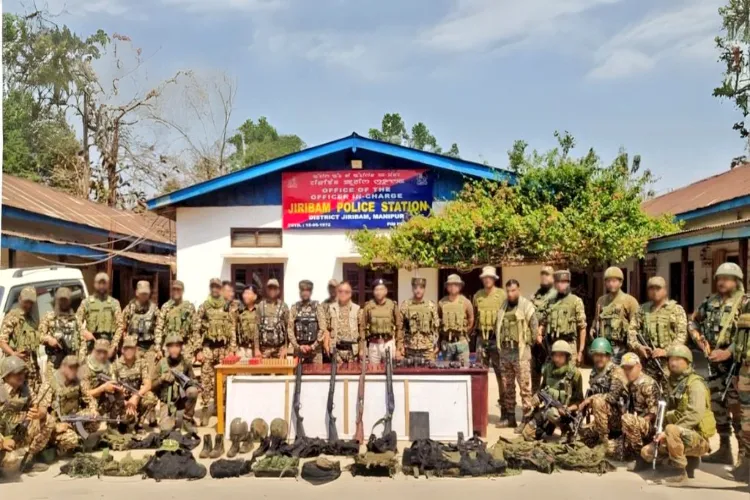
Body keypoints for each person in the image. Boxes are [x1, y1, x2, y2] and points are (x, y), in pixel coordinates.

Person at [688, 262, 746, 464]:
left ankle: (743, 455)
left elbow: (747, 335)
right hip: (714, 366)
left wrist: (728, 353)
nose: (722, 282)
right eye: (719, 278)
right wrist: (701, 342)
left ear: (736, 281)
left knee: (737, 409)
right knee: (717, 406)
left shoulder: (744, 303)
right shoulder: (709, 303)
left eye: (726, 279)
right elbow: (692, 321)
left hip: (736, 368)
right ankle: (724, 448)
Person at [640, 345, 716, 484]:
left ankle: (680, 473)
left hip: (697, 438)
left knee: (671, 429)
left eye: (678, 360)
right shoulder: (671, 383)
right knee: (647, 452)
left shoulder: (695, 384)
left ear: (687, 362)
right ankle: (679, 464)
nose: (673, 363)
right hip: (677, 436)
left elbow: (695, 414)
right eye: (671, 360)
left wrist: (668, 433)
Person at [191, 278, 237, 426]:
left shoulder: (227, 306)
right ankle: (205, 409)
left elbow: (231, 328)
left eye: (218, 287)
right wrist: (198, 350)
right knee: (206, 380)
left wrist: (232, 349)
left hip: (223, 349)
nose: (215, 289)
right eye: (213, 287)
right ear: (210, 288)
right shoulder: (204, 306)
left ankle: (219, 408)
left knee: (222, 381)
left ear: (221, 289)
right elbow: (196, 329)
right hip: (208, 348)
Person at [36, 355, 98, 456]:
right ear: (63, 367)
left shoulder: (78, 381)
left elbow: (89, 398)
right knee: (71, 439)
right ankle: (53, 444)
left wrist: (93, 410)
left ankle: (77, 438)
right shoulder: (50, 384)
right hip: (55, 423)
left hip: (73, 417)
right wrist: (55, 426)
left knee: (94, 419)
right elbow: (41, 411)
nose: (74, 371)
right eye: (71, 368)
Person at [628, 276, 687, 383]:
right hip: (647, 362)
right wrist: (638, 346)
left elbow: (682, 335)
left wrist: (665, 351)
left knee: (669, 394)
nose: (654, 291)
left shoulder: (676, 310)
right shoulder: (642, 310)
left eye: (658, 288)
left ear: (665, 290)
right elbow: (631, 331)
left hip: (669, 362)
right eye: (651, 288)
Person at [494, 279, 536, 429]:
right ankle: (510, 418)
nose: (511, 294)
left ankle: (526, 420)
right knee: (507, 387)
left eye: (513, 290)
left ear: (519, 290)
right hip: (505, 353)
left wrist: (528, 345)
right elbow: (497, 326)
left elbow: (534, 326)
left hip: (520, 353)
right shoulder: (503, 306)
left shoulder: (526, 305)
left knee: (525, 388)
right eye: (508, 291)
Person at [0, 355, 52, 474]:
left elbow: (39, 406)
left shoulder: (25, 389)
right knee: (10, 459)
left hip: (15, 433)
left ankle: (29, 460)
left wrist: (39, 413)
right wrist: (2, 442)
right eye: (18, 373)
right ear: (7, 375)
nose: (22, 376)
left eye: (23, 373)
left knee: (48, 419)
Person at [522, 340, 583, 441]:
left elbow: (580, 401)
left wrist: (568, 409)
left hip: (565, 414)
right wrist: (537, 397)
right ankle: (548, 426)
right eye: (555, 355)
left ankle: (566, 429)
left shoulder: (575, 374)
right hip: (548, 409)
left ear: (567, 357)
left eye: (561, 356)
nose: (557, 359)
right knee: (527, 434)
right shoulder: (548, 369)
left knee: (553, 413)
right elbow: (542, 389)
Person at [575, 338, 629, 447]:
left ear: (608, 356)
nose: (598, 358)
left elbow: (612, 397)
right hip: (604, 418)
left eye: (602, 355)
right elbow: (593, 392)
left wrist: (591, 399)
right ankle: (601, 435)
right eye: (596, 355)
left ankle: (603, 441)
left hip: (619, 418)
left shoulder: (616, 371)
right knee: (584, 435)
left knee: (597, 401)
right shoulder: (594, 372)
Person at [473, 266, 506, 414]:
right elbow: (474, 317)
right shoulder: (477, 296)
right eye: (485, 277)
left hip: (497, 340)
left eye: (490, 277)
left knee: (501, 375)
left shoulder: (502, 295)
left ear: (494, 279)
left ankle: (505, 410)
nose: (487, 279)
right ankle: (480, 410)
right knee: (480, 374)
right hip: (481, 339)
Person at [591, 267, 639, 365]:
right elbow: (597, 319)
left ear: (620, 282)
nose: (611, 284)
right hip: (604, 347)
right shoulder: (601, 300)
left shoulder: (630, 301)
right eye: (608, 281)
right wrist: (592, 328)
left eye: (614, 281)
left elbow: (637, 325)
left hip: (622, 347)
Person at [153, 335, 199, 435]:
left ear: (181, 348)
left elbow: (194, 380)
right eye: (171, 347)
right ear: (167, 348)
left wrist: (189, 382)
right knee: (166, 431)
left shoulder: (186, 363)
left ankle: (187, 420)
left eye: (177, 346)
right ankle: (172, 419)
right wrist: (161, 380)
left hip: (182, 401)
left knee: (193, 391)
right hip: (168, 402)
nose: (174, 350)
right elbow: (152, 385)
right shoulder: (161, 363)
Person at [618, 353, 659, 462]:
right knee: (608, 448)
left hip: (649, 426)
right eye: (625, 368)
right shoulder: (629, 384)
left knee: (627, 419)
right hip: (634, 424)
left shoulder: (648, 384)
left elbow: (654, 413)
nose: (627, 371)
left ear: (639, 367)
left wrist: (635, 422)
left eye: (630, 368)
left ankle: (638, 455)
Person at [539, 270, 586, 366]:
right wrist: (539, 334)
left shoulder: (576, 301)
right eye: (558, 282)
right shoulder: (550, 302)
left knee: (569, 378)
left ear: (569, 283)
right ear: (555, 284)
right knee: (551, 377)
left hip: (569, 345)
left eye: (564, 282)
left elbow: (582, 327)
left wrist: (581, 351)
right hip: (552, 346)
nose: (561, 285)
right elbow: (543, 323)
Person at [0, 286, 41, 392]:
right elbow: (2, 341)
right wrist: (14, 354)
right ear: (19, 299)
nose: (28, 305)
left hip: (31, 367)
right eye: (26, 301)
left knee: (32, 398)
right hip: (16, 368)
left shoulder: (31, 319)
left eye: (30, 302)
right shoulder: (12, 317)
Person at [111, 336, 158, 429]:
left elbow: (148, 384)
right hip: (122, 399)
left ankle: (139, 424)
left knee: (150, 398)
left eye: (131, 348)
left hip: (136, 396)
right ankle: (122, 422)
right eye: (126, 348)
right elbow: (112, 388)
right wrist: (124, 402)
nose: (129, 351)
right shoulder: (115, 365)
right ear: (122, 350)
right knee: (124, 422)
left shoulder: (141, 363)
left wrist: (135, 397)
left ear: (136, 349)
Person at [39, 287, 82, 381]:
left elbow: (82, 341)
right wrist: (49, 339)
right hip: (55, 363)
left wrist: (80, 360)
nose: (63, 302)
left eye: (65, 300)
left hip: (71, 363)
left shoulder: (75, 319)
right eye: (61, 300)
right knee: (51, 390)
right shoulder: (49, 317)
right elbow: (38, 336)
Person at [76, 272, 123, 358]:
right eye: (99, 283)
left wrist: (114, 345)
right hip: (92, 345)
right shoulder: (87, 302)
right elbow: (76, 321)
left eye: (104, 283)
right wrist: (84, 332)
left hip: (108, 345)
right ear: (95, 284)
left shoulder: (114, 303)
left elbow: (120, 326)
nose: (101, 286)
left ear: (108, 285)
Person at [115, 280, 159, 371]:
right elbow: (121, 327)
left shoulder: (154, 309)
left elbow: (159, 328)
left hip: (150, 348)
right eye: (142, 293)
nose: (144, 296)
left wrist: (158, 348)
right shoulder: (129, 308)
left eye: (146, 294)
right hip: (134, 347)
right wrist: (119, 347)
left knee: (151, 374)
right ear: (137, 293)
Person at [361, 279, 403, 364]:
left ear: (386, 291)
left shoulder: (392, 305)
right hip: (374, 345)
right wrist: (362, 348)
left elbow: (399, 327)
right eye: (376, 290)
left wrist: (399, 348)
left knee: (389, 372)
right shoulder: (368, 306)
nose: (379, 292)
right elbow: (362, 328)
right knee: (373, 372)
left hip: (388, 343)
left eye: (381, 289)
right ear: (373, 292)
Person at [400, 277, 439, 363]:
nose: (418, 290)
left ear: (424, 289)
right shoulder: (406, 305)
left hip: (427, 349)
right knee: (409, 374)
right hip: (409, 347)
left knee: (429, 374)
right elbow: (400, 327)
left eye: (421, 288)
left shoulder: (431, 305)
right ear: (412, 289)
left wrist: (436, 345)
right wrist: (400, 346)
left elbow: (436, 327)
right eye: (415, 288)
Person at [530, 266, 557, 392]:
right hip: (536, 341)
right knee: (535, 372)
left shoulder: (557, 295)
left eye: (547, 274)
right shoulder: (536, 295)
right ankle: (534, 401)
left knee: (551, 372)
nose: (544, 277)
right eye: (542, 274)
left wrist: (541, 330)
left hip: (550, 339)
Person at [438, 274, 474, 367]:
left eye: (455, 284)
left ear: (460, 286)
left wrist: (464, 333)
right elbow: (438, 320)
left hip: (461, 343)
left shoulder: (466, 302)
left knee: (464, 370)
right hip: (447, 344)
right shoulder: (442, 303)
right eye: (450, 284)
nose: (453, 287)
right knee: (447, 372)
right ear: (447, 287)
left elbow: (471, 319)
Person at [155, 280, 195, 359]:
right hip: (169, 347)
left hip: (185, 347)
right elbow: (159, 328)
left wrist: (195, 349)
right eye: (174, 289)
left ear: (183, 291)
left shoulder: (189, 307)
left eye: (178, 289)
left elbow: (195, 329)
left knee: (184, 371)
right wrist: (158, 347)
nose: (176, 291)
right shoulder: (165, 307)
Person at [288, 280, 326, 363]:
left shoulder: (317, 307)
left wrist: (312, 346)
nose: (305, 293)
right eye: (303, 290)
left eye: (307, 290)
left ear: (311, 292)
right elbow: (290, 329)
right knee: (297, 375)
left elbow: (322, 329)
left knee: (316, 375)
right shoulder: (294, 307)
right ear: (300, 292)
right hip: (299, 351)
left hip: (315, 352)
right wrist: (298, 346)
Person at [79, 339, 119, 416]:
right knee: (91, 415)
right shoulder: (85, 366)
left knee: (119, 397)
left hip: (100, 399)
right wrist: (103, 388)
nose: (102, 355)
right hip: (87, 402)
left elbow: (114, 383)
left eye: (104, 352)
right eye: (99, 351)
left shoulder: (109, 366)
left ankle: (113, 425)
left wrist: (119, 390)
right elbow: (86, 394)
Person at [329, 282, 363, 363]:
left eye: (346, 292)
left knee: (352, 375)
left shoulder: (357, 309)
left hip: (352, 351)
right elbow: (326, 329)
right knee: (336, 375)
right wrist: (328, 346)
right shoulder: (330, 308)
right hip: (335, 351)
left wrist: (361, 349)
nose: (343, 294)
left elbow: (362, 331)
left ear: (350, 294)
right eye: (340, 291)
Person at [255, 279, 289, 359]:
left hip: (280, 349)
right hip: (264, 349)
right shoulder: (260, 306)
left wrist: (286, 347)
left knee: (281, 371)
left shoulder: (284, 306)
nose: (272, 290)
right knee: (264, 371)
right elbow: (256, 328)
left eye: (275, 288)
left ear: (278, 290)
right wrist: (256, 348)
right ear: (267, 290)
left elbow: (288, 328)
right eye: (270, 288)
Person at [237, 284, 259, 359]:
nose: (245, 296)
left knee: (257, 370)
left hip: (257, 349)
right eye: (244, 293)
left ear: (255, 296)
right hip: (242, 349)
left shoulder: (260, 311)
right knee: (242, 370)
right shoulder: (239, 311)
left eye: (248, 293)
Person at [321, 279, 339, 358]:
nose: (332, 290)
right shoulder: (324, 304)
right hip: (328, 341)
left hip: (340, 342)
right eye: (330, 288)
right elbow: (322, 324)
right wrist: (326, 341)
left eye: (334, 287)